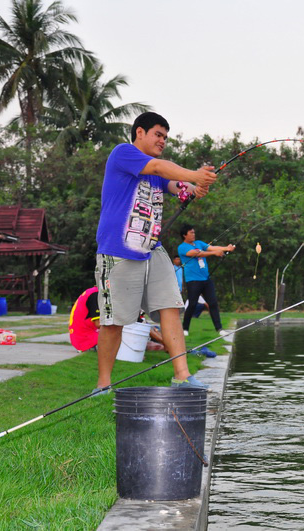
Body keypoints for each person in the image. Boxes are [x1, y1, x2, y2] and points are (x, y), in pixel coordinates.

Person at [94, 111, 217, 393]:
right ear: (140, 132)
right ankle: (103, 385)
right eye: (157, 135)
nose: (162, 141)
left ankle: (182, 376)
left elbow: (174, 184)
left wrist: (195, 187)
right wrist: (194, 175)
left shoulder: (156, 172)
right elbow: (161, 168)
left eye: (165, 137)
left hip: (152, 250)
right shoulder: (123, 154)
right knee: (114, 322)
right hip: (119, 252)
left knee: (171, 307)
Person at [68, 287, 167, 352]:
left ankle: (161, 344)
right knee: (131, 328)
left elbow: (141, 322)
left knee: (151, 328)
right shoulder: (96, 295)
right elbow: (99, 323)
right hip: (86, 340)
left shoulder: (106, 294)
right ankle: (164, 345)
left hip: (91, 335)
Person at [177, 224, 234, 337]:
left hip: (206, 279)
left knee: (213, 303)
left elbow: (212, 248)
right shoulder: (182, 247)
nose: (193, 234)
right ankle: (185, 328)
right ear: (184, 235)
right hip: (193, 280)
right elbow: (197, 253)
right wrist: (214, 253)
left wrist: (226, 248)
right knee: (192, 304)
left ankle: (219, 329)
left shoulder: (199, 243)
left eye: (194, 232)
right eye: (191, 233)